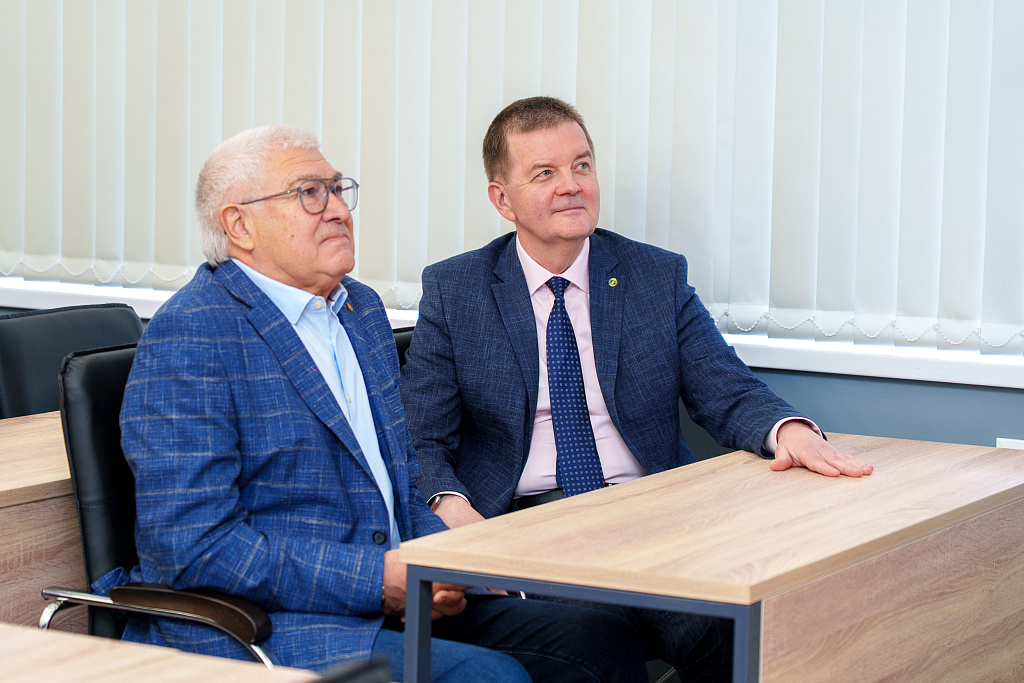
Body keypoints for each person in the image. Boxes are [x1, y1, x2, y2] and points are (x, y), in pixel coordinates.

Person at [104, 124, 648, 681]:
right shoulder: (192, 335)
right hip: (276, 623)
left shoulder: (358, 311)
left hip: (397, 593)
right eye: (309, 194)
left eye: (337, 190)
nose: (339, 210)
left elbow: (401, 484)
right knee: (488, 678)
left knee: (600, 639)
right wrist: (379, 579)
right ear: (240, 225)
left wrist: (447, 566)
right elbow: (195, 548)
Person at [400, 97, 875, 679]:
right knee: (601, 642)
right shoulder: (456, 290)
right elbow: (420, 439)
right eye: (544, 173)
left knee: (741, 629)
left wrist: (790, 430)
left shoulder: (653, 274)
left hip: (653, 519)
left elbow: (725, 389)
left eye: (582, 165)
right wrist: (452, 509)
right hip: (528, 528)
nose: (571, 185)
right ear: (502, 200)